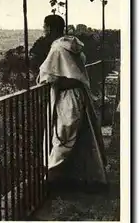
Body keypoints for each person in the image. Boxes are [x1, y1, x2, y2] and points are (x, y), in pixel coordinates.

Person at [37, 15, 107, 191]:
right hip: (79, 95)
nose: (43, 31)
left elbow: (46, 77)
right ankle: (75, 178)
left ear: (52, 28)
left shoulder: (58, 49)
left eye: (45, 27)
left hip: (67, 97)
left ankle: (51, 180)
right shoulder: (73, 46)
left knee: (63, 136)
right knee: (76, 135)